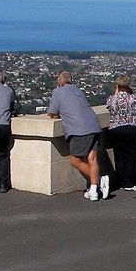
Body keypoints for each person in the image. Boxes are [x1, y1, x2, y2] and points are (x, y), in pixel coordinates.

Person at [48, 71, 108, 201]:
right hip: (94, 126)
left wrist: (61, 114)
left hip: (79, 130)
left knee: (75, 160)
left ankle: (99, 180)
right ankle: (93, 191)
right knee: (92, 158)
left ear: (59, 82)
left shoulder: (57, 92)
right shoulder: (78, 91)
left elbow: (52, 113)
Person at [106, 75, 136, 191]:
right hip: (131, 128)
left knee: (119, 156)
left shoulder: (113, 99)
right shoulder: (132, 98)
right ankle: (129, 182)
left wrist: (116, 92)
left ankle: (120, 181)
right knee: (130, 156)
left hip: (116, 129)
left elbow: (108, 105)